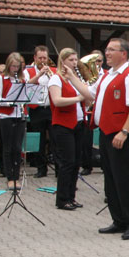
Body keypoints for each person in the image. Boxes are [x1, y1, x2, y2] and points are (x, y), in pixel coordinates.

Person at [85, 38, 129, 241]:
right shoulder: (107, 76)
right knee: (110, 179)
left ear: (124, 54)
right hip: (106, 132)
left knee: (125, 179)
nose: (107, 53)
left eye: (112, 50)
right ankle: (118, 220)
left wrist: (125, 131)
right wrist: (71, 77)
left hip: (122, 134)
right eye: (107, 49)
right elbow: (89, 93)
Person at [48, 48, 91, 210]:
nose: (74, 63)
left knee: (76, 163)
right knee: (67, 162)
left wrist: (85, 98)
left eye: (75, 60)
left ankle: (71, 197)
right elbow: (57, 100)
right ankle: (62, 199)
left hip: (79, 124)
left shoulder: (74, 79)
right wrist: (79, 97)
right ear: (63, 61)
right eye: (71, 60)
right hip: (63, 125)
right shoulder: (56, 79)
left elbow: (85, 102)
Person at [0, 53, 26, 190]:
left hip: (19, 115)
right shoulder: (1, 79)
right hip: (6, 116)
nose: (15, 69)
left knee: (18, 148)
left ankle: (16, 176)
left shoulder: (21, 79)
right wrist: (9, 103)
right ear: (8, 65)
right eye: (13, 66)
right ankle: (10, 177)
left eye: (17, 67)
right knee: (8, 148)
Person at [25, 45, 56, 178]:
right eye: (40, 58)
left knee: (55, 139)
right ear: (35, 58)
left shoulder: (54, 70)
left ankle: (58, 169)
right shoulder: (28, 71)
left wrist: (50, 75)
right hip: (36, 109)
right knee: (40, 141)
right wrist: (39, 74)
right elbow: (27, 85)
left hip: (51, 109)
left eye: (45, 57)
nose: (43, 60)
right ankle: (41, 169)